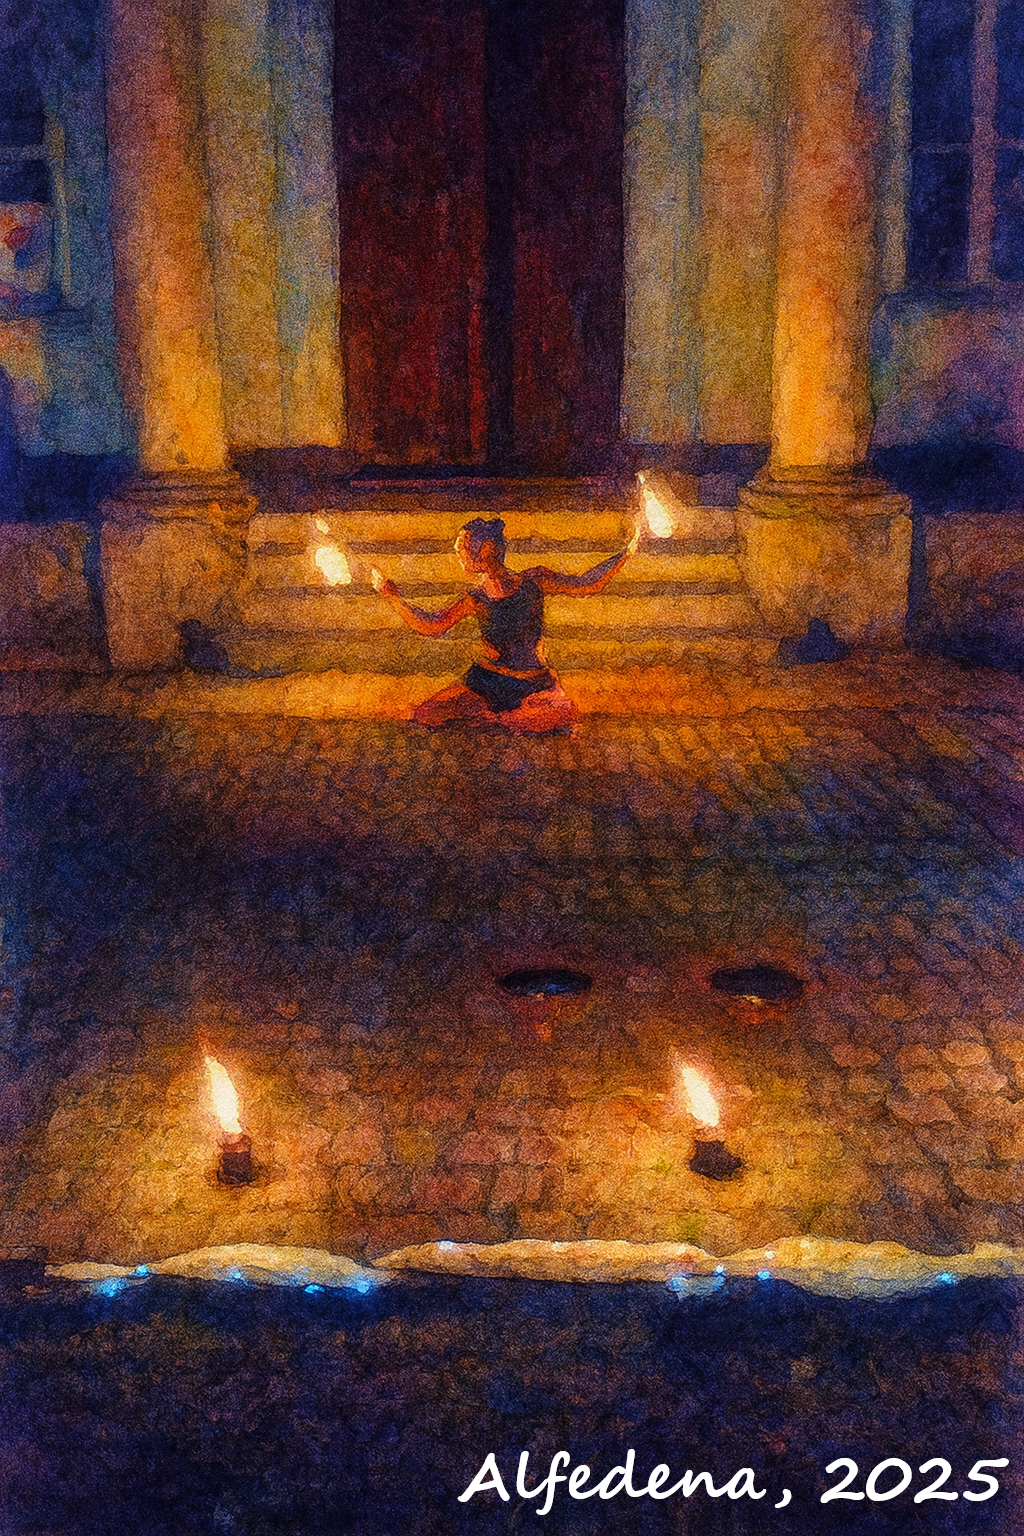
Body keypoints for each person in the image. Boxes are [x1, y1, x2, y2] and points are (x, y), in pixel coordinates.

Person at [371, 515, 641, 734]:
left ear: (486, 550)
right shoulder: (477, 598)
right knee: (424, 714)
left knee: (563, 713)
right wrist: (393, 598)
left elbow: (587, 584)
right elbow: (433, 625)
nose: (458, 554)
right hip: (487, 681)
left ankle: (499, 720)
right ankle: (502, 719)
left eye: (462, 549)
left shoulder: (534, 581)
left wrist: (628, 552)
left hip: (533, 682)